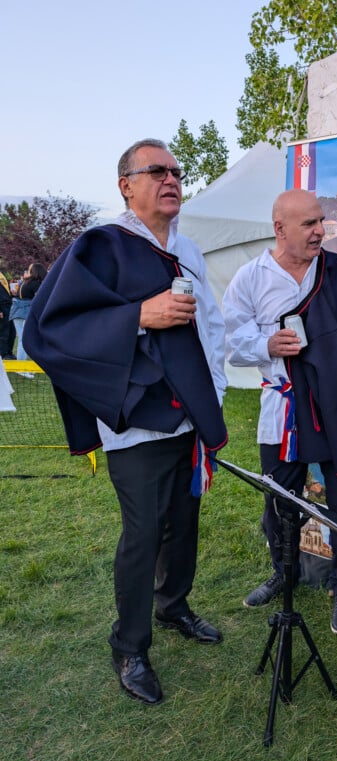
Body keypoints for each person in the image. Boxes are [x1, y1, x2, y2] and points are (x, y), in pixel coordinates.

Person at [24, 138, 228, 705]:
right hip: (137, 423)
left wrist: (211, 400)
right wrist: (140, 314)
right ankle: (130, 647)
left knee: (183, 523)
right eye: (155, 170)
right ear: (126, 185)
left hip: (190, 416)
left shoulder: (189, 249)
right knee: (142, 533)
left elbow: (208, 328)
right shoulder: (102, 247)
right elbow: (51, 328)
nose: (170, 179)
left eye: (175, 171)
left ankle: (174, 606)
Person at [222, 189, 337, 634]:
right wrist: (266, 344)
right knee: (279, 499)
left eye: (321, 222)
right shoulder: (251, 277)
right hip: (280, 407)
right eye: (309, 224)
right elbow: (229, 338)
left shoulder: (336, 271)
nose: (320, 231)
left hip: (335, 406)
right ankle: (285, 572)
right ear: (280, 229)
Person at [10, 262, 47, 362]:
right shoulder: (35, 283)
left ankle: (20, 365)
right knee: (24, 340)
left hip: (17, 311)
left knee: (23, 339)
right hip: (23, 312)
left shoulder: (26, 281)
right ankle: (21, 368)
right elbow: (41, 298)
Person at [0, 267, 16, 358]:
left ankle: (9, 353)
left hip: (9, 305)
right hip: (2, 307)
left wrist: (11, 293)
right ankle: (2, 354)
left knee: (12, 332)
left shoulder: (2, 274)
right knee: (3, 332)